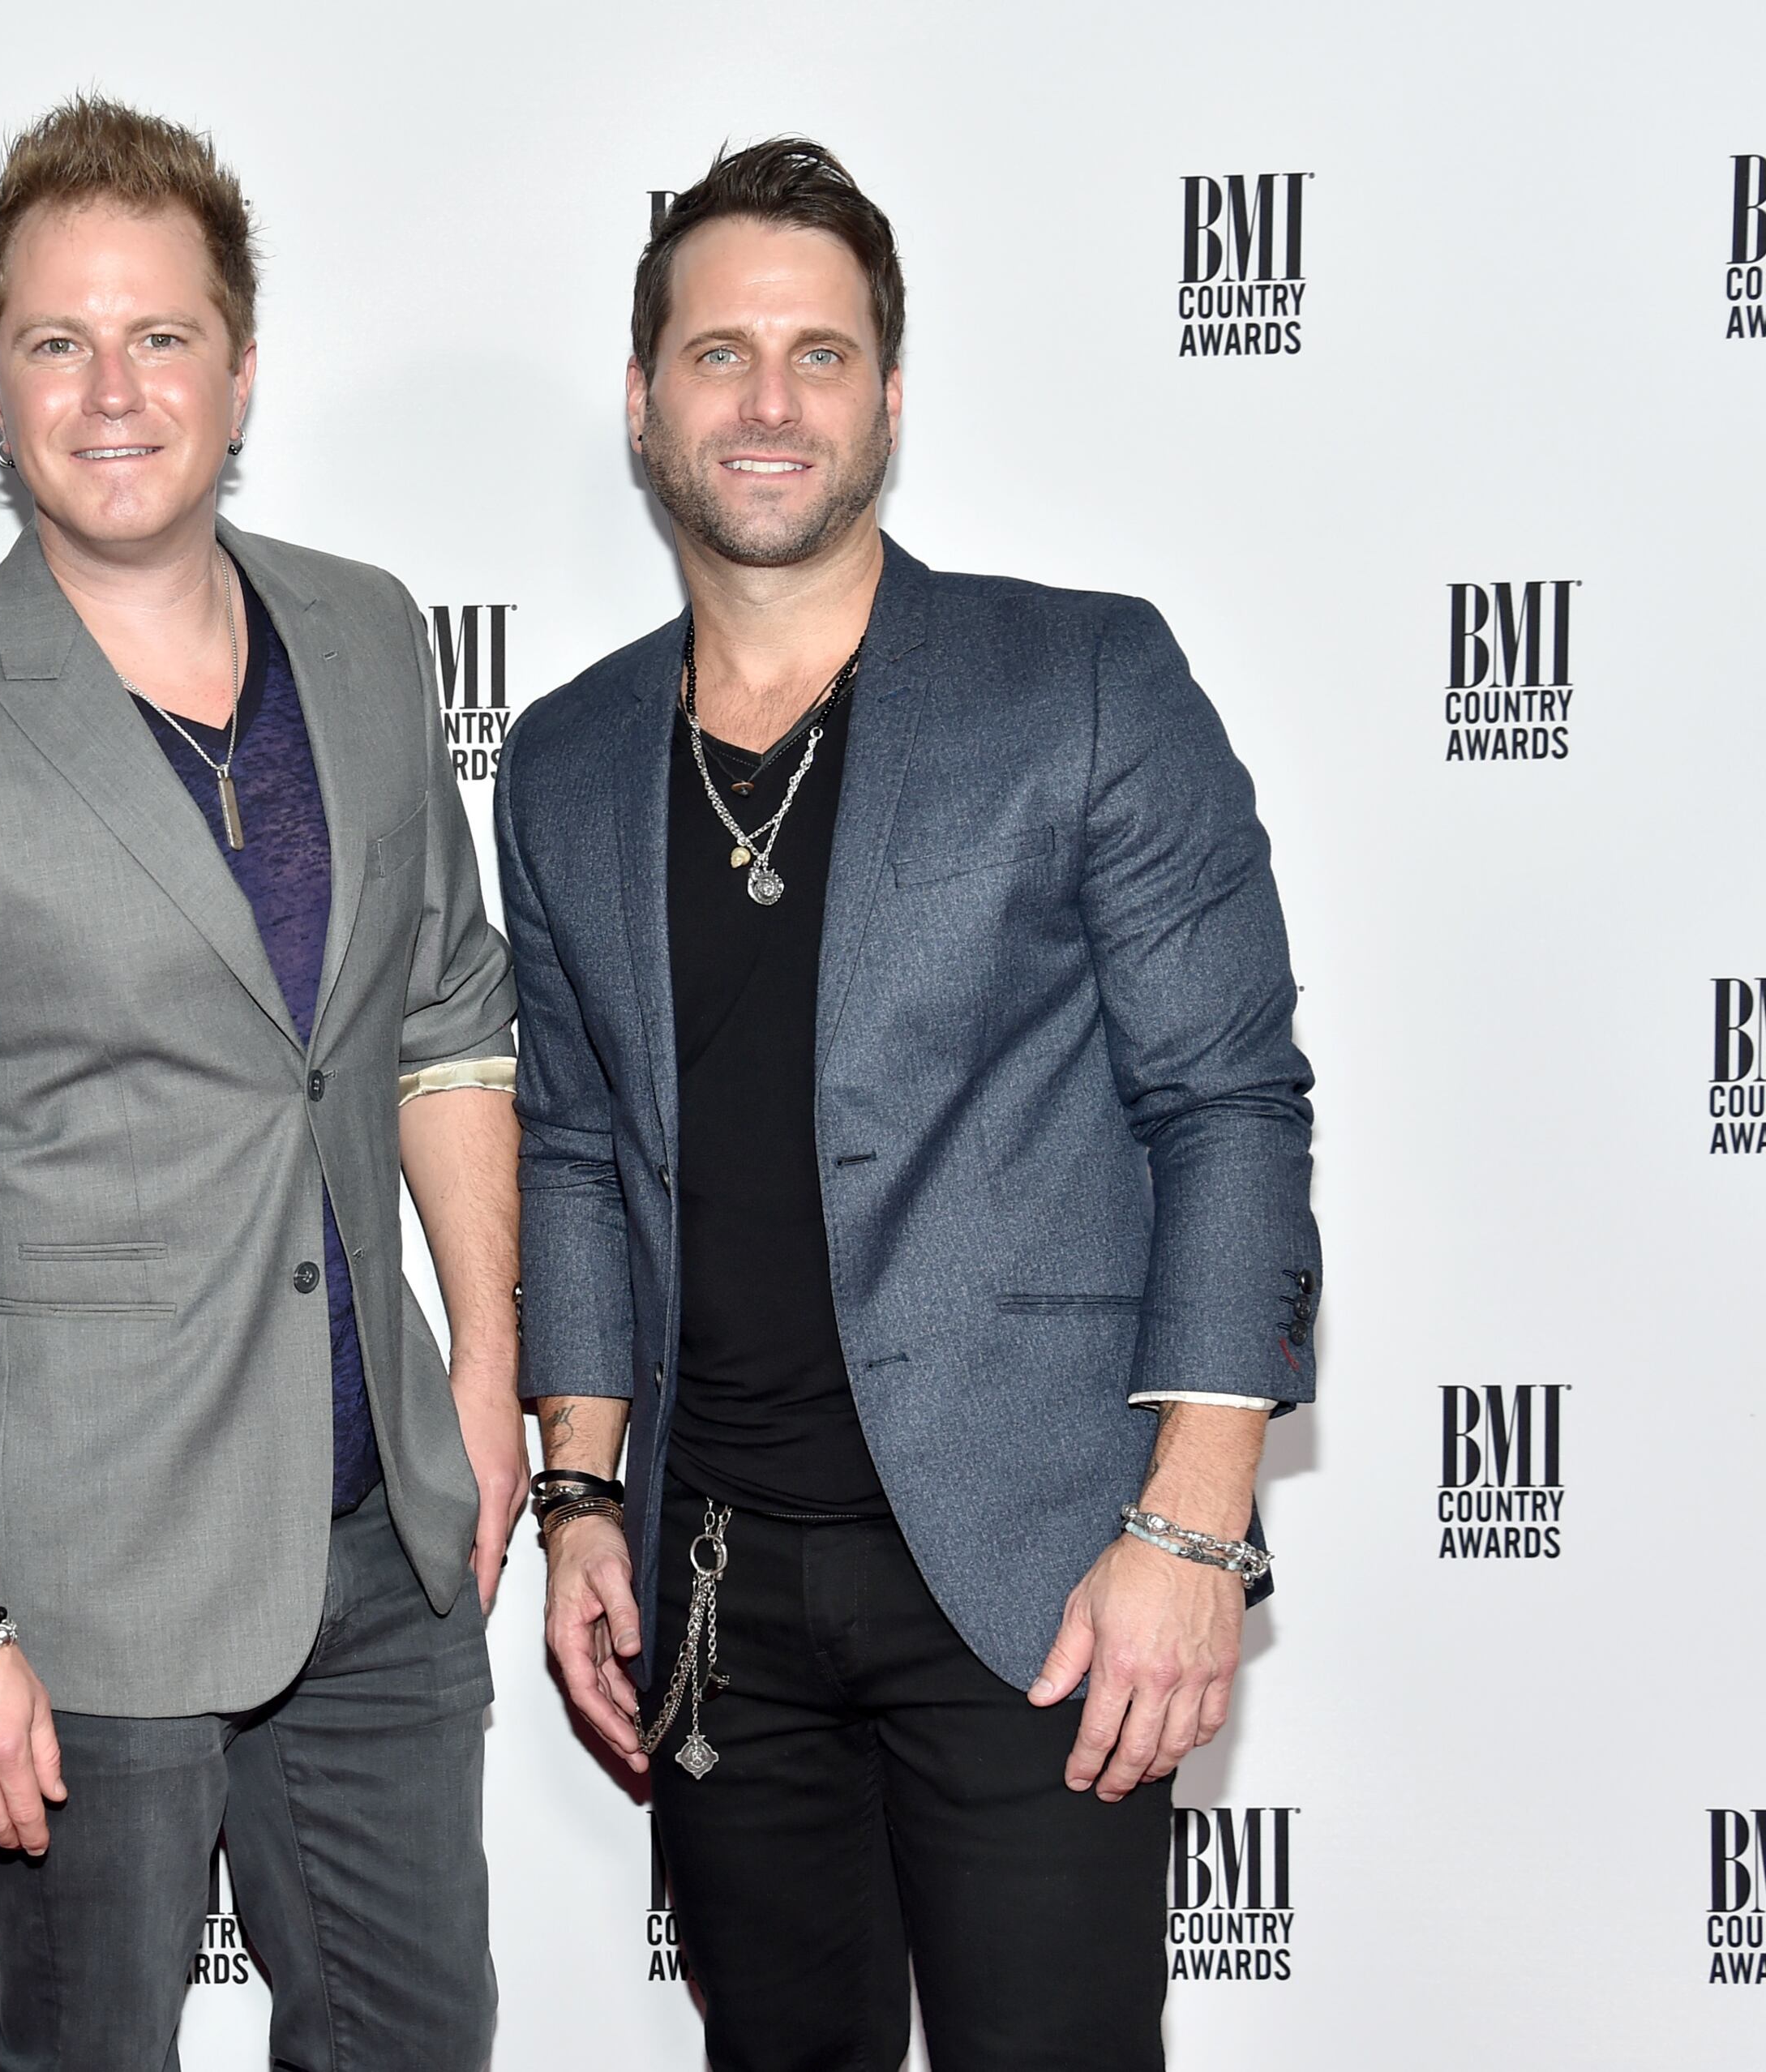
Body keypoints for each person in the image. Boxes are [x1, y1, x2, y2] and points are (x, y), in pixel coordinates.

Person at [496, 138, 1320, 2070]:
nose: (768, 402)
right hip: (715, 1587)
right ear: (642, 401)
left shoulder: (1081, 680)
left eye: (820, 354)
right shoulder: (561, 759)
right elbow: (579, 1147)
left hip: (1035, 1574)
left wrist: (1193, 1530)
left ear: (885, 397)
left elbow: (1230, 1107)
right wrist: (578, 1492)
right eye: (718, 355)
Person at [0, 96, 521, 2072]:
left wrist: (489, 1369)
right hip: (73, 1581)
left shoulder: (364, 635)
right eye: (57, 342)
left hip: (380, 1534)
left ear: (242, 368)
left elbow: (446, 1011)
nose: (115, 390)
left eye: (161, 335)